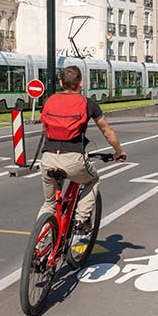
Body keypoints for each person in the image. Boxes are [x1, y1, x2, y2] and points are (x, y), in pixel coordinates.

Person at [39, 66, 126, 233]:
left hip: (48, 157)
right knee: (93, 180)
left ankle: (39, 248)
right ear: (80, 84)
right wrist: (119, 152)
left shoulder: (50, 101)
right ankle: (80, 218)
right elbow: (107, 131)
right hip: (73, 159)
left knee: (49, 204)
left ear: (61, 83)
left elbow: (45, 128)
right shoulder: (88, 104)